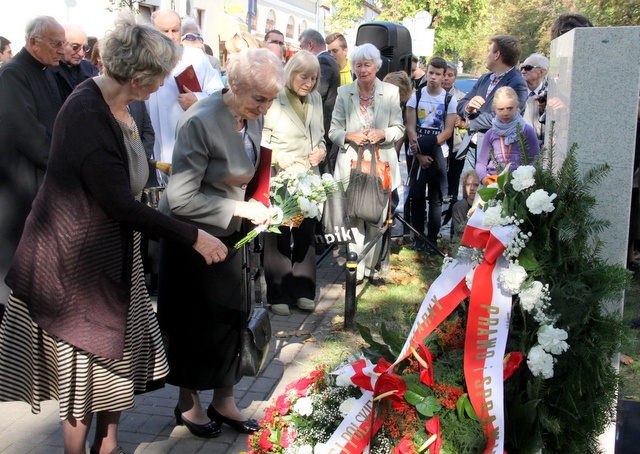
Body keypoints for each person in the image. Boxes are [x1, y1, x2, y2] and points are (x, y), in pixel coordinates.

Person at [0, 16, 228, 454]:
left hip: (117, 255)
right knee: (83, 375)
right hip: (74, 265)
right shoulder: (87, 110)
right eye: (161, 75)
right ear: (140, 76)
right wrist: (195, 237)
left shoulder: (122, 104)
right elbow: (118, 203)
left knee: (118, 366)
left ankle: (110, 447)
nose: (164, 84)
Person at [156, 48, 283, 437]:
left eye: (271, 99)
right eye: (258, 98)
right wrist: (240, 208)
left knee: (230, 315)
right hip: (191, 234)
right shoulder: (200, 120)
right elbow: (181, 197)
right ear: (233, 85)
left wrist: (261, 200)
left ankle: (224, 399)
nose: (264, 107)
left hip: (230, 231)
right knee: (194, 321)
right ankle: (188, 403)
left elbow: (250, 168)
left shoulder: (250, 114)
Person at [0, 16, 65, 305]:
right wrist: (64, 165)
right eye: (56, 43)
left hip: (43, 175)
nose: (62, 50)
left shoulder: (48, 71)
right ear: (33, 43)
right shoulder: (12, 74)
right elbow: (27, 132)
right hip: (22, 179)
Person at [329, 43, 404, 283]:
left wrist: (382, 133)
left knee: (377, 217)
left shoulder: (391, 92)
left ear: (377, 66)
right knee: (353, 217)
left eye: (367, 64)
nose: (363, 70)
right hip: (352, 163)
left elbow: (399, 128)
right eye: (358, 65)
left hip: (381, 164)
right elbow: (333, 131)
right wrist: (349, 136)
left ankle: (372, 268)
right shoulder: (344, 93)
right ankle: (356, 269)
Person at [261, 50, 326, 317]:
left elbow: (320, 136)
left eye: (313, 78)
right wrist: (280, 157)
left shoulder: (316, 99)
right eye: (303, 77)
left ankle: (303, 290)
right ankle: (279, 293)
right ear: (290, 73)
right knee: (278, 236)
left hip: (308, 179)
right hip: (279, 178)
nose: (309, 83)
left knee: (305, 235)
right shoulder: (274, 97)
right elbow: (261, 140)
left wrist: (321, 150)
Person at [147, 9, 223, 185]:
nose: (170, 36)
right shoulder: (145, 58)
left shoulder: (196, 58)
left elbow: (219, 95)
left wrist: (198, 99)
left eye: (175, 30)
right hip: (154, 144)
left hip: (188, 143)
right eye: (164, 31)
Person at [405, 57, 457, 252]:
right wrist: (418, 153)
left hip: (437, 153)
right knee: (417, 197)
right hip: (417, 152)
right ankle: (418, 238)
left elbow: (448, 130)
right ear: (426, 72)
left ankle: (432, 239)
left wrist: (430, 145)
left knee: (435, 199)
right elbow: (410, 127)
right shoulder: (416, 97)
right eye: (431, 72)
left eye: (438, 74)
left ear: (444, 76)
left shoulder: (449, 99)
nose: (433, 77)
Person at [456, 35, 528, 161]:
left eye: (489, 51)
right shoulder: (485, 78)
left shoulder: (517, 83)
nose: (486, 55)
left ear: (497, 55)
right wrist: (468, 107)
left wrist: (470, 121)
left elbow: (505, 117)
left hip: (495, 153)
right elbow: (461, 104)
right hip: (471, 148)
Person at [475, 86, 540, 185]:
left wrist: (526, 178)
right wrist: (484, 178)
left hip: (520, 184)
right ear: (494, 109)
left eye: (509, 108)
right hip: (494, 182)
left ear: (518, 106)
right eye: (500, 109)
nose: (505, 113)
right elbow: (481, 163)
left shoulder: (527, 131)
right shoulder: (490, 133)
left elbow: (535, 160)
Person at [299, 28, 339, 173]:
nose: (309, 83)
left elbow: (316, 94)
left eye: (301, 48)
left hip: (320, 131)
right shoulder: (329, 60)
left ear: (310, 45)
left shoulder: (323, 62)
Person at [442, 61, 468, 203]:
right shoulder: (431, 94)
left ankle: (450, 215)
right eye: (444, 74)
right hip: (437, 144)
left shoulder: (463, 97)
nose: (446, 78)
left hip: (456, 146)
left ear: (455, 78)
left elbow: (469, 121)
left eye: (450, 75)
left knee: (453, 180)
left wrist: (461, 122)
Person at [53, 24, 99, 102]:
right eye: (75, 47)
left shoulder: (91, 69)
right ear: (62, 44)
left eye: (85, 48)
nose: (81, 54)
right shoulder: (48, 71)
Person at [520, 53, 549, 147]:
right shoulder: (514, 91)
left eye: (527, 67)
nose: (523, 71)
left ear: (541, 72)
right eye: (522, 67)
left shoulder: (552, 94)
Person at [451, 169, 480, 239]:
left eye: (476, 185)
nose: (471, 188)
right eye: (468, 185)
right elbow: (459, 233)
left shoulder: (488, 206)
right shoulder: (458, 207)